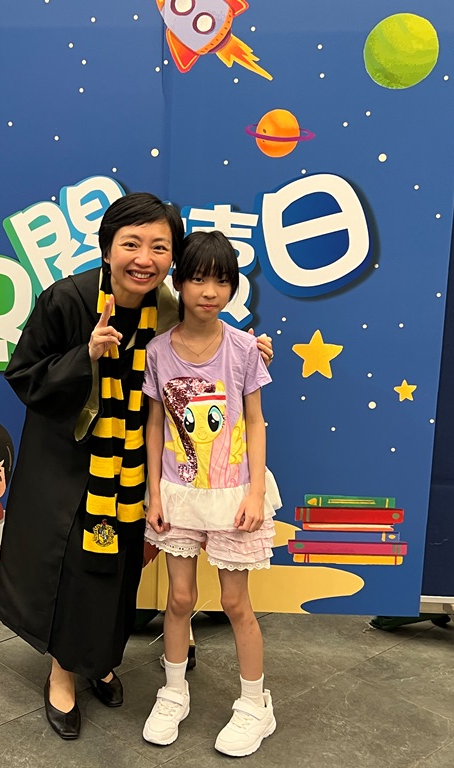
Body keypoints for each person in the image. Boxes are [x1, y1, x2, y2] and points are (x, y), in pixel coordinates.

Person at [0, 193, 273, 740]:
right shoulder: (68, 299)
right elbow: (24, 375)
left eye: (159, 247)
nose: (144, 259)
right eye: (132, 244)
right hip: (72, 466)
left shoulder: (165, 307)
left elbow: (205, 349)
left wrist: (253, 348)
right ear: (107, 248)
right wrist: (84, 355)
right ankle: (62, 674)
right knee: (76, 569)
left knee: (118, 572)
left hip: (138, 466)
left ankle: (99, 660)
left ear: (173, 259)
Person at [140, 231, 281, 756]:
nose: (209, 291)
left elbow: (256, 422)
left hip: (232, 496)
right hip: (178, 494)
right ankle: (173, 693)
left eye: (222, 280)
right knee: (179, 599)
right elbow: (156, 424)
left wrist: (253, 492)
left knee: (235, 602)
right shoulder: (158, 351)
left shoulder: (244, 348)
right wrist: (154, 493)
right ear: (178, 283)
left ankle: (255, 705)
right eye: (198, 278)